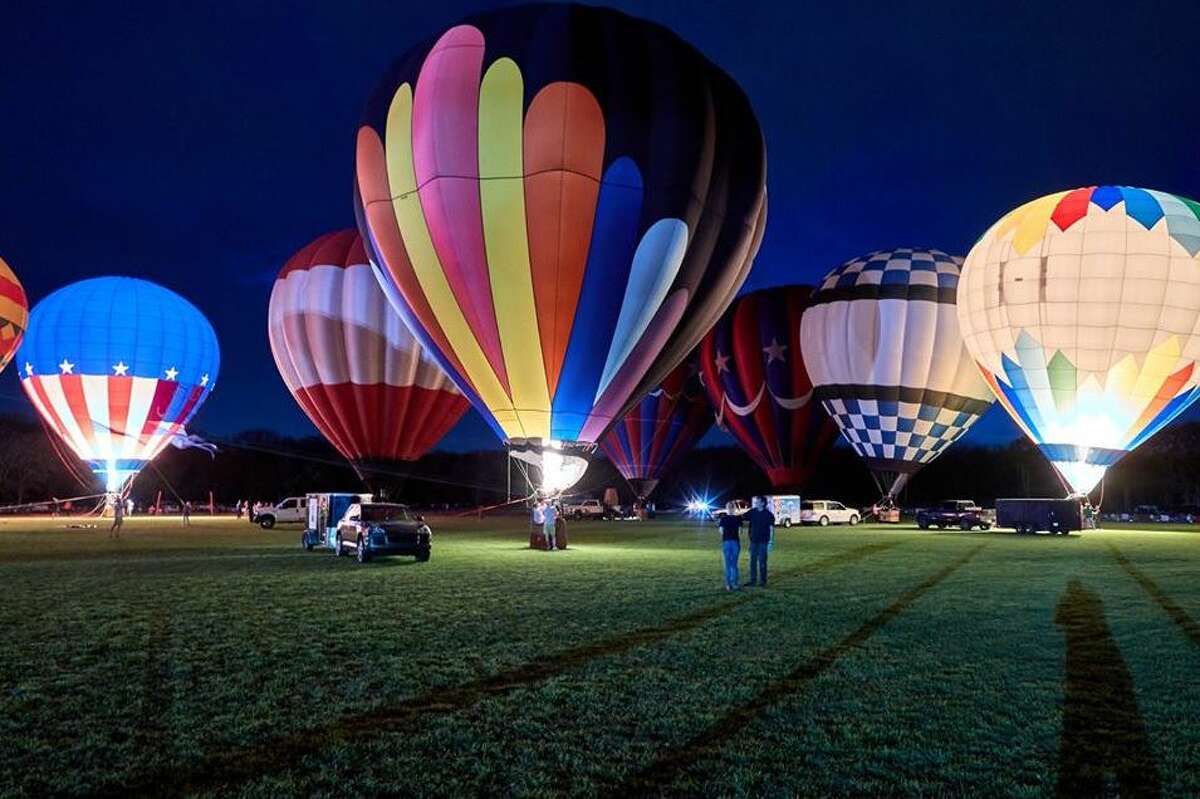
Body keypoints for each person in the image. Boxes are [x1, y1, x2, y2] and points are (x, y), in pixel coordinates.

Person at [745, 496, 775, 587]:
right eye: (756, 502)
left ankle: (763, 581)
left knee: (762, 562)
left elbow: (771, 529)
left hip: (763, 541)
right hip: (753, 541)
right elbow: (742, 517)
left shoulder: (768, 515)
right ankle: (753, 580)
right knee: (752, 562)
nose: (756, 503)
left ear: (762, 503)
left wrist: (770, 541)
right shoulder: (752, 512)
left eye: (758, 502)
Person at [718, 503, 743, 591]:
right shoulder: (738, 518)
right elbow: (740, 532)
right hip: (735, 542)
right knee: (734, 564)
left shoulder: (723, 519)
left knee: (727, 564)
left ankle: (728, 584)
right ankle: (734, 583)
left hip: (726, 542)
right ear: (734, 509)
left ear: (727, 509)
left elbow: (721, 531)